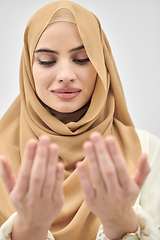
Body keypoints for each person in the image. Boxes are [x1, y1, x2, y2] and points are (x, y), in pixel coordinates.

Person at [0, 1, 159, 240]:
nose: (65, 75)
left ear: (101, 65)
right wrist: (28, 231)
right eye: (46, 60)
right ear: (28, 68)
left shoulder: (147, 151)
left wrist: (121, 227)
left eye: (82, 58)